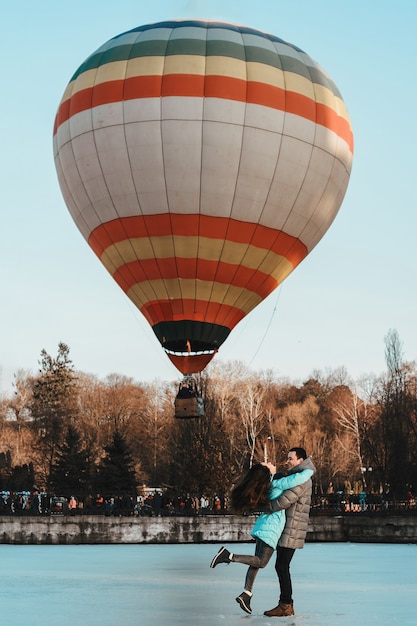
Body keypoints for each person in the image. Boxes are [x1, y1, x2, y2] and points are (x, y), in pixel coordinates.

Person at [210, 460, 313, 615]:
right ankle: (228, 556)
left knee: (256, 562)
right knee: (261, 562)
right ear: (267, 471)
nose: (271, 462)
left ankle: (247, 594)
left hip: (263, 526)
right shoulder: (277, 483)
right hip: (271, 529)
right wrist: (309, 469)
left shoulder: (266, 485)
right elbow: (298, 479)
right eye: (267, 463)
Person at [263, 447, 316, 617]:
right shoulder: (298, 477)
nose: (288, 461)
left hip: (292, 529)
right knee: (282, 566)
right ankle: (286, 603)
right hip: (291, 528)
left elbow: (286, 500)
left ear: (300, 460)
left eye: (290, 458)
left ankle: (286, 604)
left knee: (282, 566)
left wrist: (265, 507)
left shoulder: (301, 479)